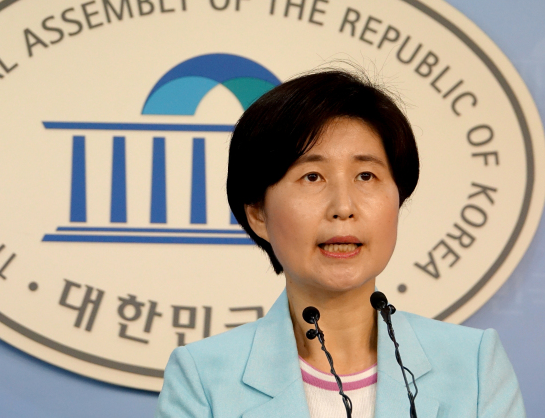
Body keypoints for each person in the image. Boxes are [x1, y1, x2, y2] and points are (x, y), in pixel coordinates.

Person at [155, 69, 525, 417]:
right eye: (312, 176)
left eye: (366, 175)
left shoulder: (474, 365)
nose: (343, 207)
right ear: (258, 215)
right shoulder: (203, 378)